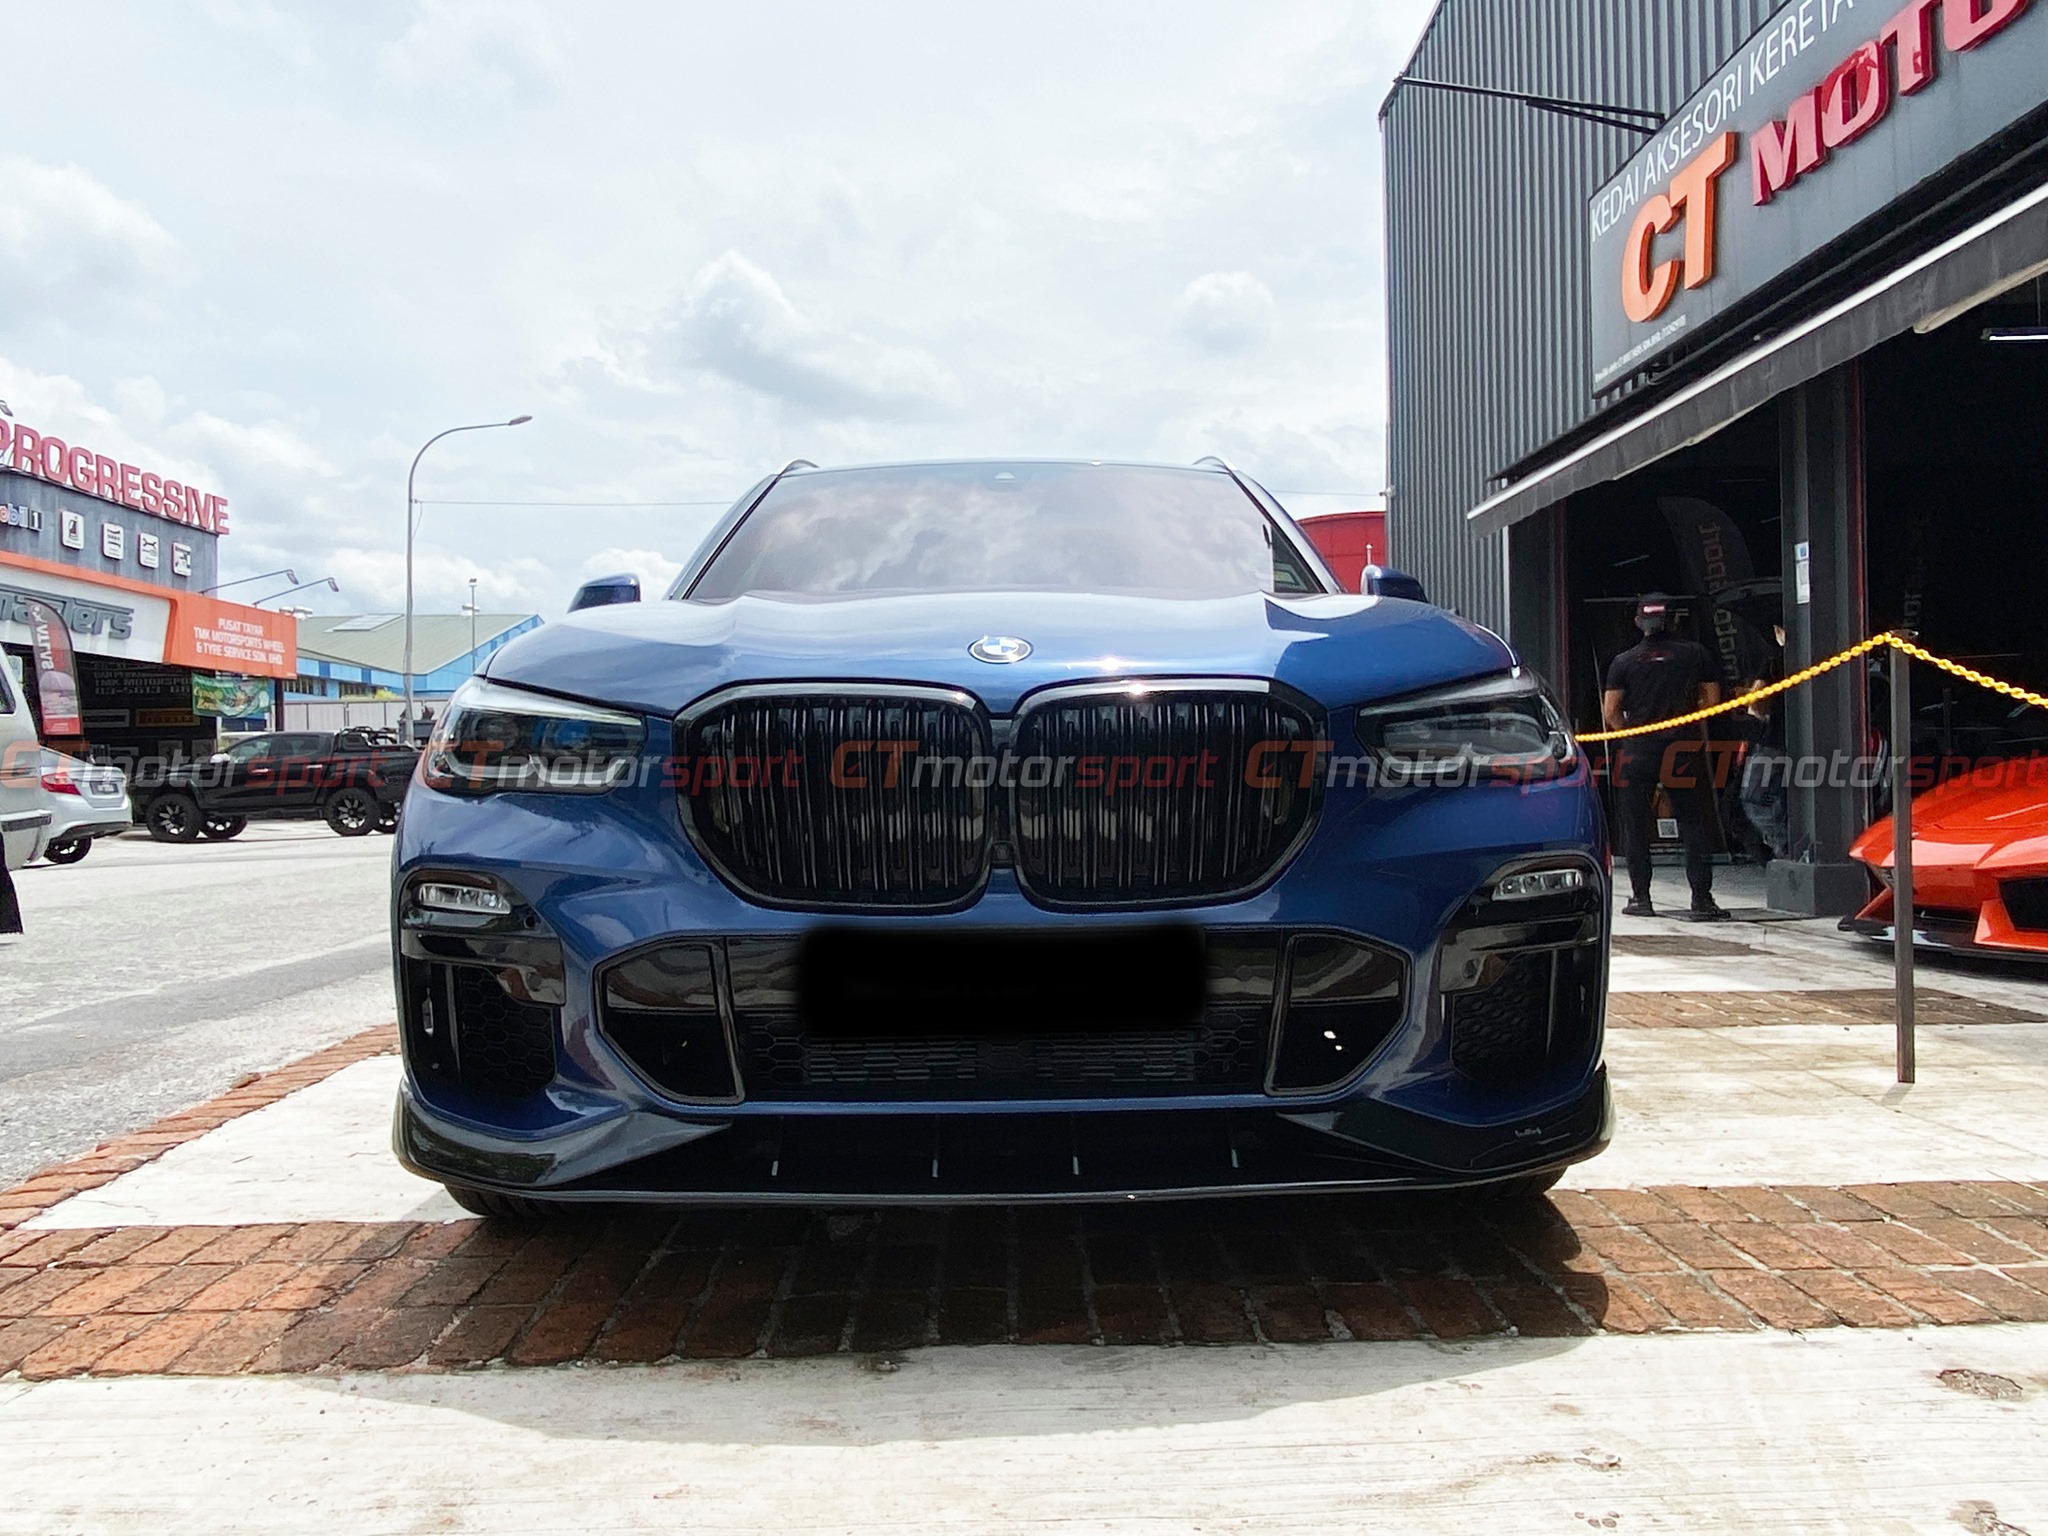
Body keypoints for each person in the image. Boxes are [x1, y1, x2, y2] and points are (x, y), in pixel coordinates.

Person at [1602, 594, 1728, 920]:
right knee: (1692, 823)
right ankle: (1702, 901)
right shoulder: (1695, 655)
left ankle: (1641, 899)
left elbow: (1611, 711)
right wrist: (1686, 723)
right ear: (1673, 619)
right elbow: (1712, 702)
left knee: (1635, 825)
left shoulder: (1623, 662)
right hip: (1681, 749)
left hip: (1638, 750)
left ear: (1638, 622)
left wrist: (1632, 732)